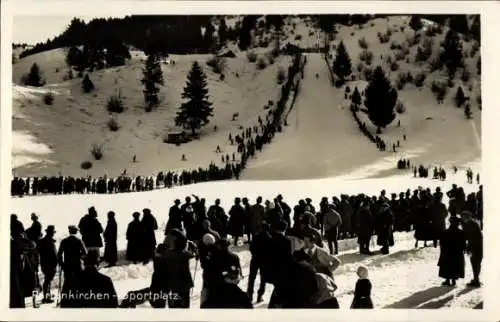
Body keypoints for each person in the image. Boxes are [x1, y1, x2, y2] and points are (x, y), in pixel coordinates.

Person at [150, 229, 197, 308]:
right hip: (169, 282)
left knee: (171, 304)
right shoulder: (173, 252)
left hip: (168, 283)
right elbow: (190, 254)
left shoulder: (165, 251)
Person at [247, 222, 272, 303]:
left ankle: (250, 294)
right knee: (263, 280)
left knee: (252, 278)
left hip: (255, 259)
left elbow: (251, 247)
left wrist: (254, 254)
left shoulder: (256, 236)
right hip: (264, 261)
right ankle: (259, 295)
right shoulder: (270, 238)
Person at [438, 216, 466, 286]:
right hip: (457, 253)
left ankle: (447, 280)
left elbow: (442, 243)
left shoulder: (445, 232)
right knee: (455, 265)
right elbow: (463, 244)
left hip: (447, 252)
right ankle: (454, 280)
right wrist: (462, 249)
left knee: (447, 265)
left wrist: (443, 250)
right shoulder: (461, 232)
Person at [461, 211, 483, 287]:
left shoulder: (471, 224)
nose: (462, 219)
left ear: (468, 217)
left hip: (475, 247)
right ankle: (476, 279)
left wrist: (468, 248)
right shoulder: (472, 223)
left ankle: (476, 281)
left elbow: (470, 237)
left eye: (463, 217)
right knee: (476, 263)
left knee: (475, 263)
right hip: (477, 247)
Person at [38, 225, 58, 303]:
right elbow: (54, 254)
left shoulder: (41, 241)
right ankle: (47, 298)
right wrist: (57, 262)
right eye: (53, 233)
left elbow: (39, 251)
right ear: (51, 233)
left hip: (44, 264)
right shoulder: (51, 241)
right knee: (48, 280)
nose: (53, 234)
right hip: (51, 264)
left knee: (47, 280)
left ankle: (46, 297)